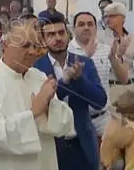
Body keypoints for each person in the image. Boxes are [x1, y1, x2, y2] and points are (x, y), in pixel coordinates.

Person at [0, 17, 76, 170]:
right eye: (25, 45)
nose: (33, 51)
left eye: (35, 45)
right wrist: (34, 112)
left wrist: (48, 109)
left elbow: (65, 124)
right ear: (5, 45)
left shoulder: (39, 77)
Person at [34, 15, 107, 170]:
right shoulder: (36, 67)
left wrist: (79, 80)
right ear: (43, 40)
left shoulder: (84, 63)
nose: (58, 38)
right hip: (52, 146)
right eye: (51, 35)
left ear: (68, 35)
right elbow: (41, 106)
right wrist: (64, 83)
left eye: (61, 33)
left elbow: (99, 101)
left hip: (83, 145)